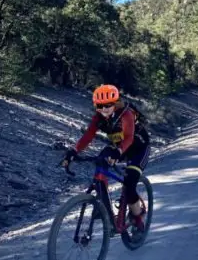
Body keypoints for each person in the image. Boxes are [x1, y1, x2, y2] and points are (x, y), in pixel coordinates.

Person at [62, 84, 150, 231]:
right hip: (119, 148)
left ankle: (138, 216)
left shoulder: (126, 114)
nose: (104, 109)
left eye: (108, 105)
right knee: (101, 162)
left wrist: (118, 152)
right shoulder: (99, 118)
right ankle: (105, 210)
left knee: (129, 184)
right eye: (100, 106)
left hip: (139, 149)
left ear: (115, 102)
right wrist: (73, 152)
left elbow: (128, 138)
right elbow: (87, 136)